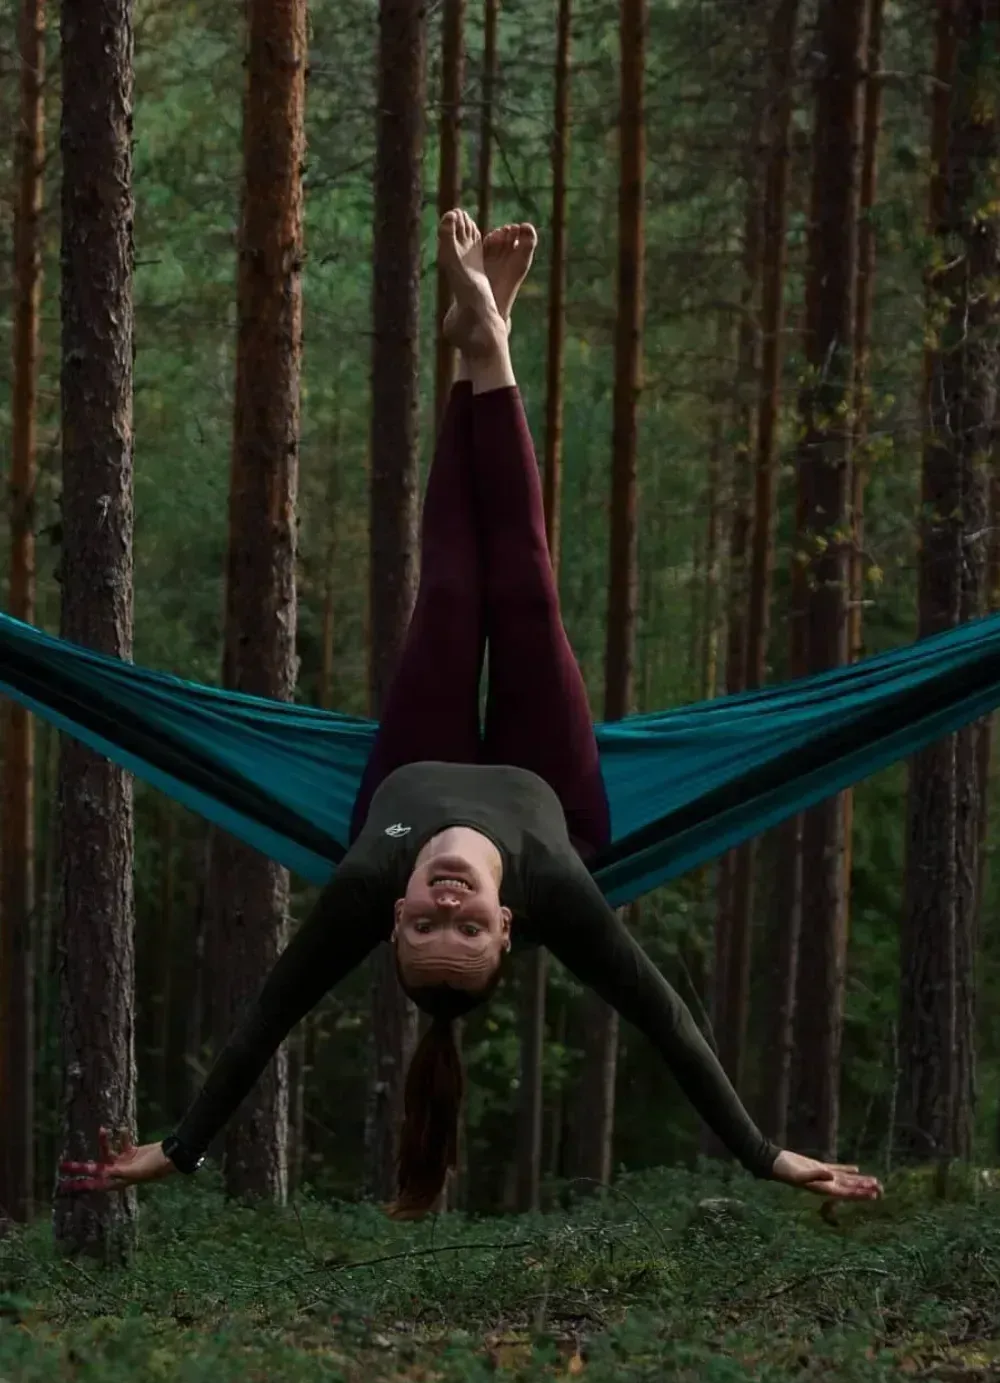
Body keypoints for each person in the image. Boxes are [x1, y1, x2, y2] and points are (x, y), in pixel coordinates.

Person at [59, 211, 882, 1217]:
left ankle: (479, 344)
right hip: (553, 785)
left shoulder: (370, 873)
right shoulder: (559, 893)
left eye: (425, 921)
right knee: (524, 584)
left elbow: (264, 1021)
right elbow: (664, 1021)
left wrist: (179, 1152)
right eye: (469, 922)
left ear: (392, 916)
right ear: (509, 927)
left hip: (411, 766)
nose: (447, 899)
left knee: (452, 588)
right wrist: (767, 1157)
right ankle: (487, 337)